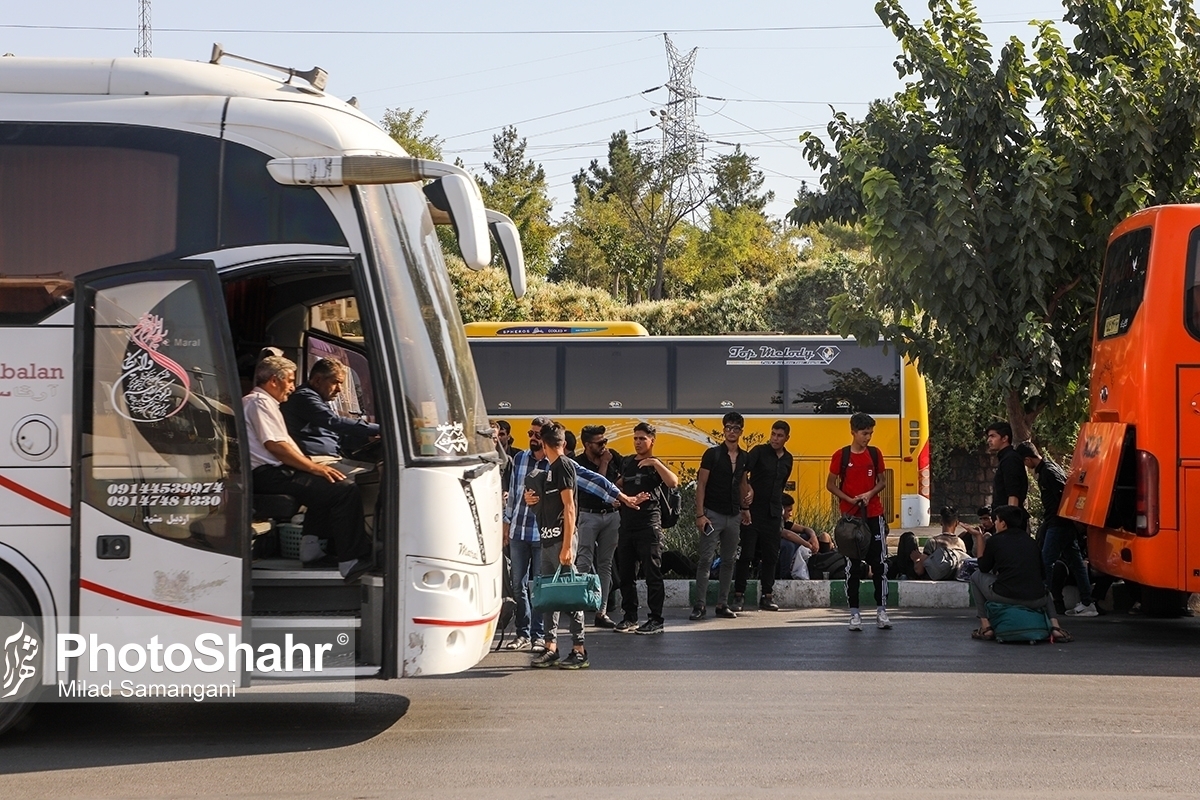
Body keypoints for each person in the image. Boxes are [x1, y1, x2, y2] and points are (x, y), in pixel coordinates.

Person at [506, 417, 643, 652]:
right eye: (529, 434)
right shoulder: (528, 463)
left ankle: (573, 647)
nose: (532, 439)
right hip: (534, 534)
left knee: (562, 592)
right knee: (535, 590)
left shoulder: (564, 466)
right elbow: (531, 500)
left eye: (536, 435)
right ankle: (544, 643)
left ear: (546, 441)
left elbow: (578, 497)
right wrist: (527, 505)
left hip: (556, 540)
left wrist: (621, 497)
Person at [243, 355, 372, 581]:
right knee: (345, 489)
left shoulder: (263, 403)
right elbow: (276, 445)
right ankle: (353, 560)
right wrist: (315, 468)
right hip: (269, 474)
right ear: (274, 381)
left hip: (273, 471)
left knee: (329, 484)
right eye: (290, 381)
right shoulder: (259, 403)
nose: (292, 388)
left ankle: (312, 550)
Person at [527, 422, 588, 670]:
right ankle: (551, 647)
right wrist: (531, 501)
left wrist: (567, 546)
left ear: (543, 443)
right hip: (548, 538)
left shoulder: (562, 466)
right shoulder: (550, 469)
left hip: (561, 542)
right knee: (549, 597)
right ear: (562, 442)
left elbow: (569, 506)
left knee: (571, 596)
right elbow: (547, 507)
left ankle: (579, 650)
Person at [1014, 441, 1098, 617]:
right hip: (1062, 523)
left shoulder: (1048, 473)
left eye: (1024, 463)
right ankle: (1087, 602)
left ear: (1028, 459)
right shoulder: (1050, 468)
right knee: (1076, 563)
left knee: (1045, 563)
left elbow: (1064, 496)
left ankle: (1041, 603)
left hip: (1058, 524)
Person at [967, 504, 1071, 642]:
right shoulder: (1031, 541)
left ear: (1003, 523)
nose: (995, 524)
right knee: (1045, 591)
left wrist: (979, 537)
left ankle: (986, 627)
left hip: (1006, 595)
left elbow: (983, 568)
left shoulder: (995, 540)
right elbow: (1043, 574)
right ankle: (1056, 627)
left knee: (975, 577)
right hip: (1036, 599)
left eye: (996, 520)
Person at [827, 412, 890, 631]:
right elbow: (831, 484)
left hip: (874, 515)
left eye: (870, 433)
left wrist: (869, 494)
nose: (868, 437)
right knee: (852, 566)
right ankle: (854, 613)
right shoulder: (841, 455)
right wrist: (849, 499)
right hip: (850, 519)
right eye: (864, 433)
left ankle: (882, 610)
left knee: (879, 564)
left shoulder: (875, 453)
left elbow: (882, 481)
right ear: (853, 431)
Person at [614, 422, 679, 635]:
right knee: (626, 574)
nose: (638, 442)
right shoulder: (627, 462)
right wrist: (618, 498)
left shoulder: (655, 464)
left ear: (652, 440)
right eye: (635, 438)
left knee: (652, 573)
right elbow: (618, 485)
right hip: (627, 526)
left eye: (642, 438)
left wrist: (654, 463)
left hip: (649, 526)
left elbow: (673, 482)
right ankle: (629, 617)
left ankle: (656, 619)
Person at [692, 412, 750, 620]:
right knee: (706, 560)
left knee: (728, 561)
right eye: (728, 428)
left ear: (741, 431)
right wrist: (700, 514)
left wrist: (745, 508)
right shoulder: (713, 454)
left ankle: (722, 604)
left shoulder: (744, 457)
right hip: (712, 514)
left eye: (736, 428)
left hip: (734, 515)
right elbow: (701, 485)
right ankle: (699, 605)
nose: (731, 432)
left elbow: (742, 483)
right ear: (723, 430)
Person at [731, 420, 794, 613]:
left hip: (774, 513)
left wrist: (781, 511)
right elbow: (741, 471)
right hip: (753, 512)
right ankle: (739, 595)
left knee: (771, 556)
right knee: (746, 554)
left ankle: (767, 596)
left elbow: (781, 484)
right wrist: (746, 495)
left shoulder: (788, 459)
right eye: (773, 434)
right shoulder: (759, 452)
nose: (775, 438)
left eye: (779, 435)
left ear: (786, 438)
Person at [281, 357, 380, 467]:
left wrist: (367, 438)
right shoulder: (304, 397)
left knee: (380, 471)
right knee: (376, 479)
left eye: (341, 384)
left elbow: (337, 438)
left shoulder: (320, 400)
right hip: (316, 460)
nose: (339, 389)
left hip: (333, 458)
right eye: (335, 382)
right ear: (318, 380)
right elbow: (334, 422)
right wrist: (381, 429)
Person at [572, 425, 623, 629]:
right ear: (586, 445)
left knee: (605, 564)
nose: (604, 446)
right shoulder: (578, 463)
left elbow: (620, 480)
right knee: (583, 562)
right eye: (599, 443)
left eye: (605, 442)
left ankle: (601, 612)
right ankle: (577, 608)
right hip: (588, 515)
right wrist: (603, 464)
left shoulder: (614, 457)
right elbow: (594, 489)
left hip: (611, 516)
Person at [777, 493, 819, 580]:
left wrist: (813, 537)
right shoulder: (773, 522)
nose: (791, 514)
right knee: (788, 545)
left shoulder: (786, 523)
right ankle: (785, 576)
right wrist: (808, 545)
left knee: (805, 536)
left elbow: (805, 529)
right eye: (789, 510)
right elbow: (787, 534)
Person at [986, 421, 1027, 509]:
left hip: (1007, 519)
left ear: (1004, 438)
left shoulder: (1010, 459)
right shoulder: (1005, 458)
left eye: (993, 436)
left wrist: (1009, 519)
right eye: (989, 436)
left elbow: (1013, 493)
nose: (989, 440)